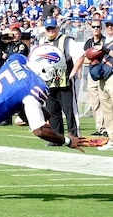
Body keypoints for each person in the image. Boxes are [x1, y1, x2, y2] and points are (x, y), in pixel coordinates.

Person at [39, 18, 82, 146]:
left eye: (53, 28)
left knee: (69, 111)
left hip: (65, 83)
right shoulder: (42, 42)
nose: (51, 31)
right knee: (52, 112)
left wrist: (73, 72)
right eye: (48, 29)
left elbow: (80, 56)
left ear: (57, 28)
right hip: (49, 83)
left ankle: (75, 136)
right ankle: (57, 138)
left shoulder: (67, 41)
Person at [86, 15, 113, 151]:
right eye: (108, 25)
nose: (110, 28)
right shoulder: (105, 40)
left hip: (112, 76)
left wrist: (105, 50)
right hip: (103, 77)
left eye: (112, 25)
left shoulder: (105, 43)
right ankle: (112, 139)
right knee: (106, 110)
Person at [82, 19, 107, 137]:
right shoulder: (89, 42)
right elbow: (85, 58)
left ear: (101, 28)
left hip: (104, 73)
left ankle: (107, 127)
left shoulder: (105, 41)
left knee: (105, 101)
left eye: (98, 26)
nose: (96, 28)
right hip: (92, 73)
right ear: (91, 28)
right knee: (95, 102)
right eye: (94, 26)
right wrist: (94, 57)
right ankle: (99, 127)